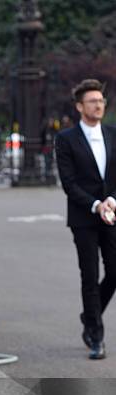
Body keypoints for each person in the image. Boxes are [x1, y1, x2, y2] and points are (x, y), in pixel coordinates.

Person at [55, 78, 116, 360]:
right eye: (92, 101)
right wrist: (95, 205)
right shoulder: (66, 139)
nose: (99, 105)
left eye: (101, 100)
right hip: (84, 217)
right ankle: (96, 336)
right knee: (89, 276)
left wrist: (111, 201)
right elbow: (69, 183)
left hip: (112, 214)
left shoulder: (113, 134)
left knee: (113, 272)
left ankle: (89, 316)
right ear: (80, 106)